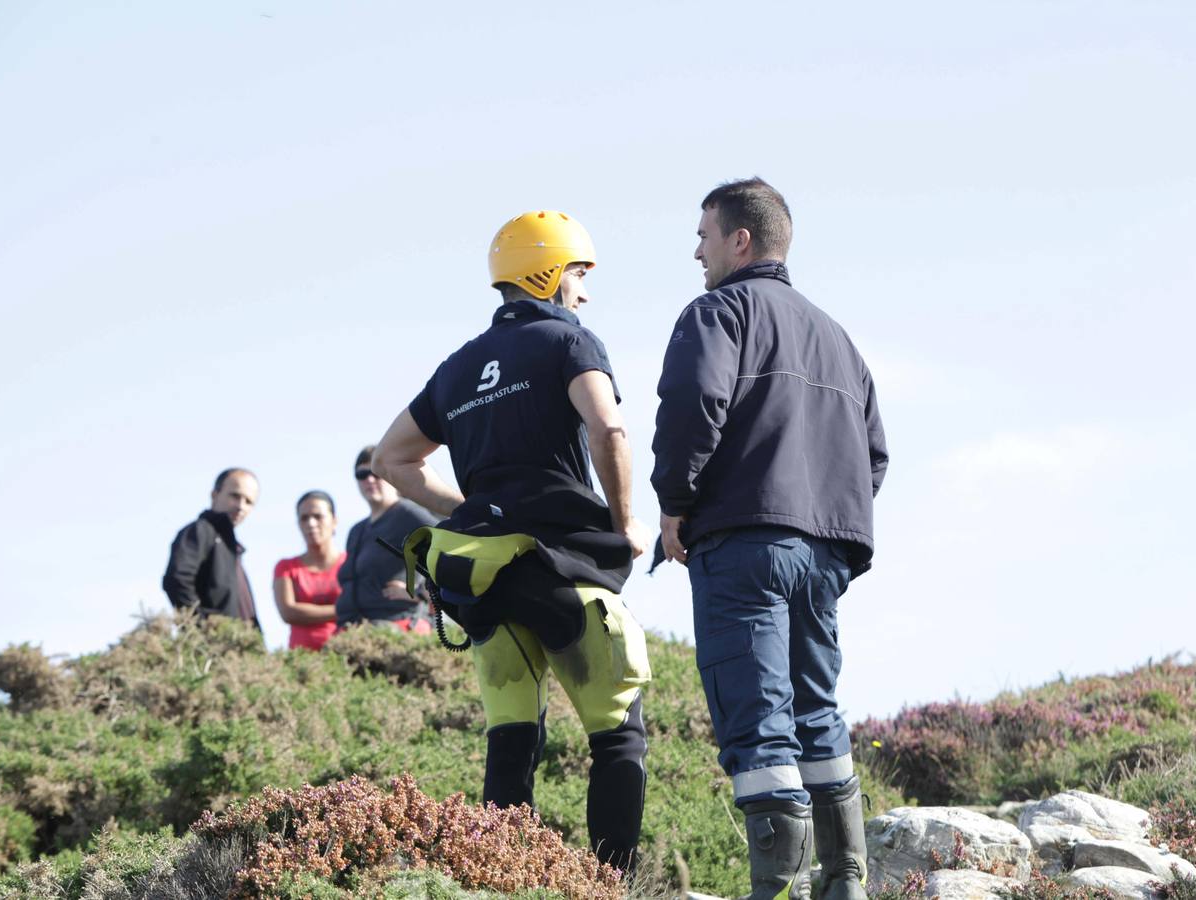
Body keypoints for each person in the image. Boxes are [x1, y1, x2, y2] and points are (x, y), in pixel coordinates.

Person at [370, 210, 652, 874]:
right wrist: (625, 523)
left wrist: (472, 511)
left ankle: (506, 884)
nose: (584, 291)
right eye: (579, 274)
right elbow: (608, 431)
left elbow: (392, 459)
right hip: (564, 569)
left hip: (487, 581)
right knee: (618, 739)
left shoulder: (459, 366)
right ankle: (616, 888)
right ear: (549, 273)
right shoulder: (568, 341)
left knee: (512, 743)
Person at [650, 179, 888, 900]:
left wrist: (673, 506)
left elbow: (694, 406)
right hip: (823, 554)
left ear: (740, 240)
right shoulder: (838, 337)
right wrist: (824, 521)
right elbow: (874, 454)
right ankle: (844, 883)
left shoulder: (718, 312)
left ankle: (774, 890)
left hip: (742, 547)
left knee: (757, 721)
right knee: (816, 710)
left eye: (704, 234)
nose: (696, 249)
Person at [336, 445, 437, 634]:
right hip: (355, 629)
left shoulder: (409, 514)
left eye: (376, 472)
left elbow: (451, 544)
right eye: (362, 474)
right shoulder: (356, 530)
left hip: (399, 626)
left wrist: (422, 592)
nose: (369, 479)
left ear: (391, 474)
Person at [163, 468, 262, 629]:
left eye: (248, 502)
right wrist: (201, 629)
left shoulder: (231, 547)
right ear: (215, 494)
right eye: (235, 496)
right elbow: (177, 580)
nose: (241, 506)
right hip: (213, 645)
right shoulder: (200, 531)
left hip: (238, 645)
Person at [273, 490, 346, 651]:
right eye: (304, 518)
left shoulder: (351, 563)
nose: (311, 524)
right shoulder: (286, 567)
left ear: (334, 521)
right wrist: (342, 609)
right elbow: (288, 612)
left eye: (318, 516)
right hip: (302, 661)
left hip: (347, 655)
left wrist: (307, 611)